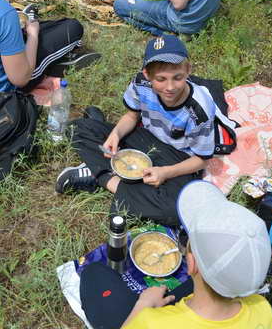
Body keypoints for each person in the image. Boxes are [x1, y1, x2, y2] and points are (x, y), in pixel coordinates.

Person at [79, 180, 272, 329]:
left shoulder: (155, 328)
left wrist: (143, 305)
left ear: (190, 264)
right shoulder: (264, 311)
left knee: (94, 273)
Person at [56, 35, 237, 225]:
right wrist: (115, 134)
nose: (170, 87)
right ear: (147, 75)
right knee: (76, 129)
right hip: (146, 137)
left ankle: (103, 178)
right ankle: (125, 186)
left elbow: (201, 160)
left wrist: (166, 173)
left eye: (178, 78)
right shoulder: (140, 83)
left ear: (188, 71)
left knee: (176, 211)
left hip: (179, 156)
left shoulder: (198, 110)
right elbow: (131, 117)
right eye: (160, 79)